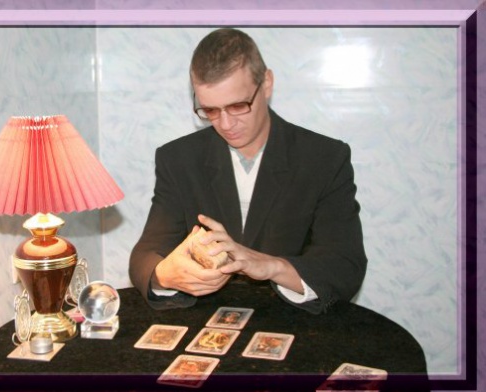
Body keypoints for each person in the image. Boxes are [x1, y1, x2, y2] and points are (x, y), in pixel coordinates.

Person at [129, 28, 367, 314]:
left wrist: (270, 266)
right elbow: (145, 255)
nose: (226, 124)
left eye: (238, 106)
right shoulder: (179, 159)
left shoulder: (323, 159)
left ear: (266, 84)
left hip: (294, 322)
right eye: (210, 110)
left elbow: (345, 266)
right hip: (206, 322)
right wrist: (164, 274)